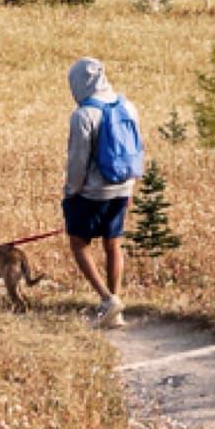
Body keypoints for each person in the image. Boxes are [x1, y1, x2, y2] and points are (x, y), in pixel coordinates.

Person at [60, 57, 143, 328]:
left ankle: (107, 300)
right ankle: (115, 307)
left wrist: (72, 191)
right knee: (113, 243)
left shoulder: (83, 114)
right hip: (124, 185)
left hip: (93, 191)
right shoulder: (127, 105)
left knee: (79, 243)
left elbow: (78, 159)